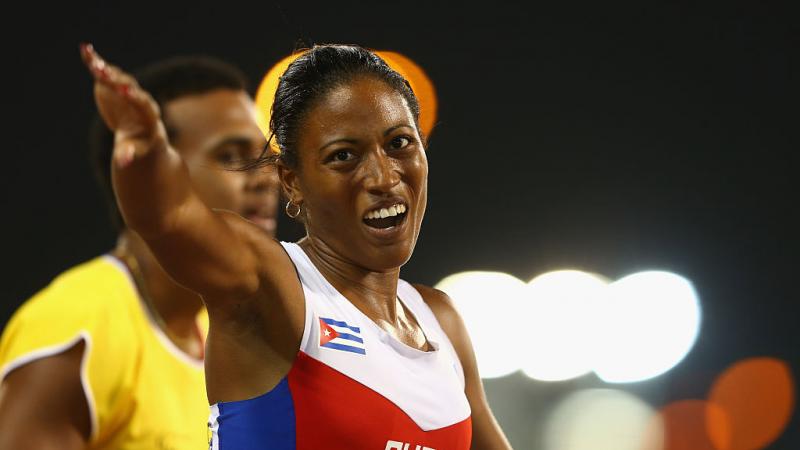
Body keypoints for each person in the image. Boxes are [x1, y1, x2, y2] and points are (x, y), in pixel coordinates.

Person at [79, 43, 512, 449]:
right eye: (344, 155)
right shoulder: (272, 285)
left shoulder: (441, 321)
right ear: (291, 181)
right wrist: (144, 148)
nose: (383, 178)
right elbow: (169, 218)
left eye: (399, 143)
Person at [0, 55, 279, 449]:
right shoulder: (77, 321)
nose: (266, 178)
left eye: (266, 157)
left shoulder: (223, 329)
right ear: (152, 174)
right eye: (230, 157)